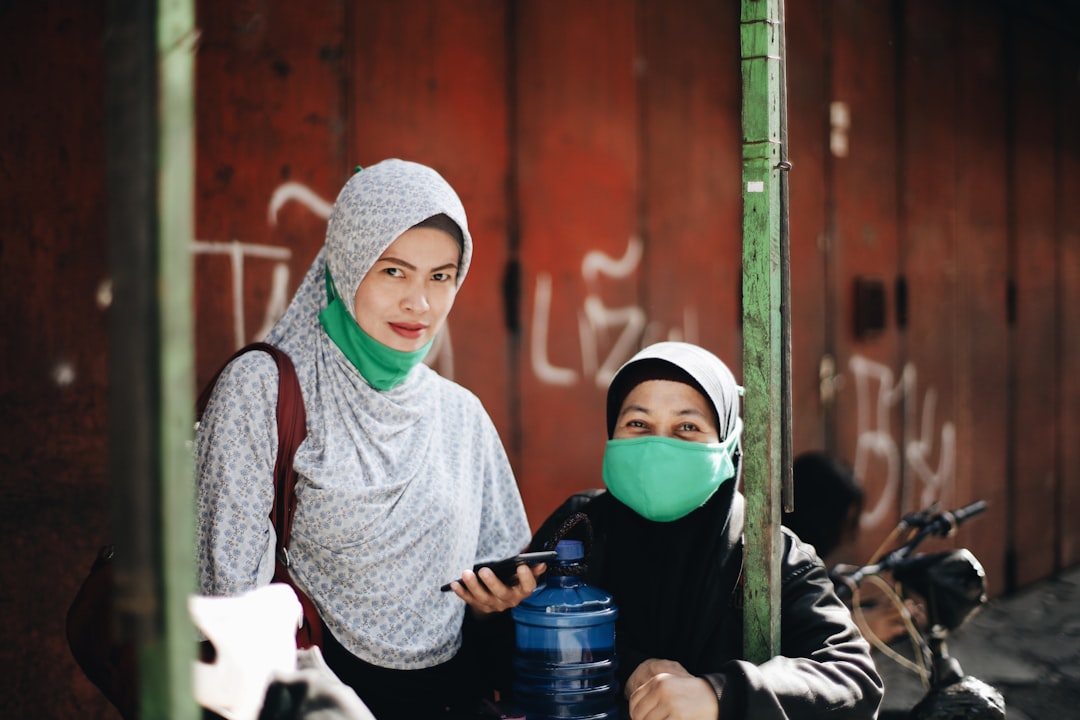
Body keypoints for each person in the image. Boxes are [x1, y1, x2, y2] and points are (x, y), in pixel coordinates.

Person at [195, 159, 540, 719]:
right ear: (348, 264)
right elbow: (228, 604)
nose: (420, 304)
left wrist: (494, 608)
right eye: (393, 271)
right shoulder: (263, 389)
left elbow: (493, 594)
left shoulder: (461, 416)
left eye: (441, 275)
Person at [527, 341, 883, 720]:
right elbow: (506, 649)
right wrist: (628, 668)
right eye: (637, 424)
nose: (659, 445)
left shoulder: (770, 554)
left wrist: (720, 695)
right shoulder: (579, 526)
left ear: (727, 444)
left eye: (687, 427)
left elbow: (854, 683)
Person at [785, 451, 920, 645]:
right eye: (848, 523)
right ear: (820, 519)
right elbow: (789, 637)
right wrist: (859, 628)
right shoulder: (781, 569)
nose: (850, 537)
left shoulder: (803, 568)